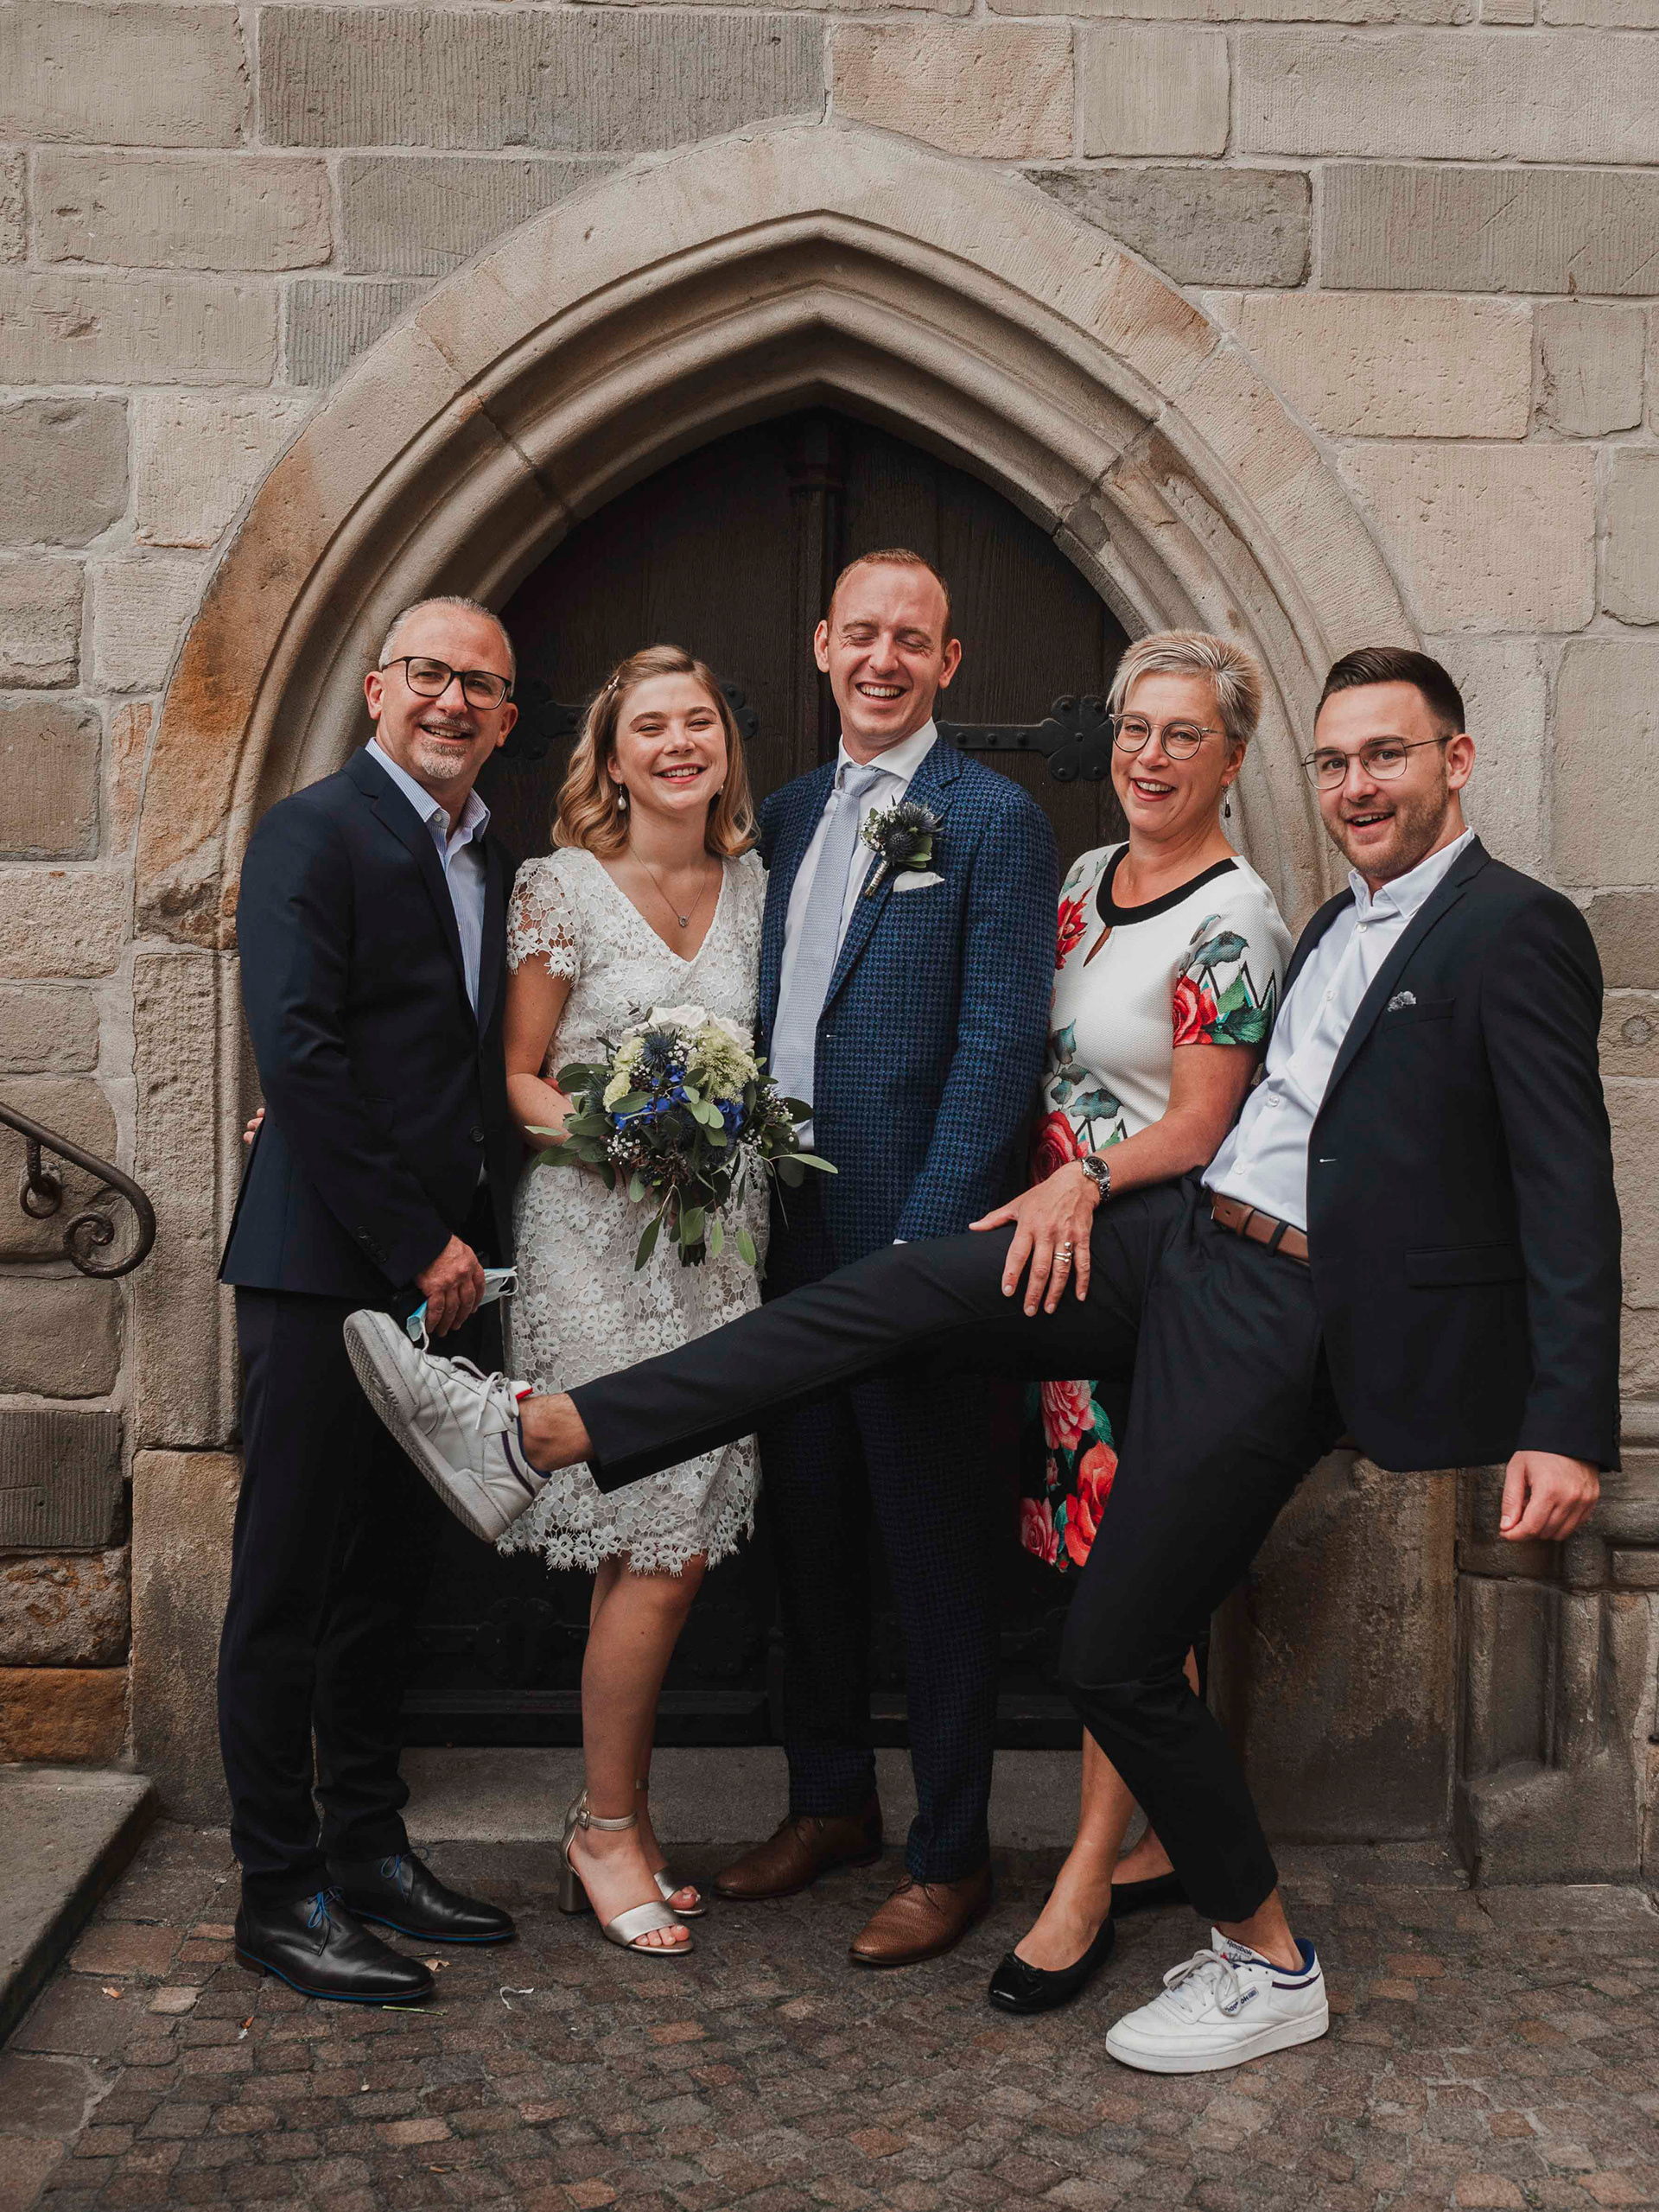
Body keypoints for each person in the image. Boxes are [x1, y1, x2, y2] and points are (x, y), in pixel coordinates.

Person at [347, 643, 1618, 2066]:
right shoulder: (1336, 919)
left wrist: (1564, 1420)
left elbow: (1569, 1184)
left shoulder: (1511, 929)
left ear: (1457, 760)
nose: (1357, 785)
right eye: (1337, 762)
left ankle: (1267, 1960)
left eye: (1386, 756)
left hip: (1289, 1301)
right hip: (1177, 1239)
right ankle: (543, 1433)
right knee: (893, 1297)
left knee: (1113, 1651)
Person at [357, 546, 1058, 1968]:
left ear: (947, 661)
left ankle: (950, 1854)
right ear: (821, 646)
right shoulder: (781, 824)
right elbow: (524, 1055)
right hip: (766, 1245)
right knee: (807, 1538)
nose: (882, 659)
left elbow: (998, 1046)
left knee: (930, 1547)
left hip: (906, 1243)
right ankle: (829, 1804)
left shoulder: (992, 818)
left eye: (911, 639)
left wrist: (925, 1251)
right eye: (860, 634)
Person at [218, 596, 524, 2005]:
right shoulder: (313, 830)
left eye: (482, 686)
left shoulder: (490, 856)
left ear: (507, 717)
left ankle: (369, 1849)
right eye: (430, 675)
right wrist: (417, 1242)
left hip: (438, 1283)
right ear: (378, 690)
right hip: (324, 1267)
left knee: (385, 1584)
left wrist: (467, 1243)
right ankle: (279, 1895)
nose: (453, 701)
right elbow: (298, 1051)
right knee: (286, 1585)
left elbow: (457, 1062)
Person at [990, 630, 1292, 2018]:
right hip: (1064, 1272)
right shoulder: (1081, 881)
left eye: (1183, 734)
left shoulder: (1237, 918)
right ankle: (1159, 1834)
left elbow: (1202, 1122)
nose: (1150, 756)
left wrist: (1083, 1180)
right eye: (1133, 728)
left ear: (1232, 760)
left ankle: (1088, 1872)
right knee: (1099, 1562)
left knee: (1135, 1575)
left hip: (1156, 1273)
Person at [493, 645, 768, 1957]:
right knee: (657, 1537)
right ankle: (604, 1829)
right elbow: (520, 1077)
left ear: (725, 746)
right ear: (609, 757)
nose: (677, 744)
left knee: (673, 1533)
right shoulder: (558, 888)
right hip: (594, 1243)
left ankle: (624, 1813)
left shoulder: (756, 888)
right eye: (649, 727)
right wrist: (622, 1137)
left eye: (698, 722)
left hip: (717, 1251)